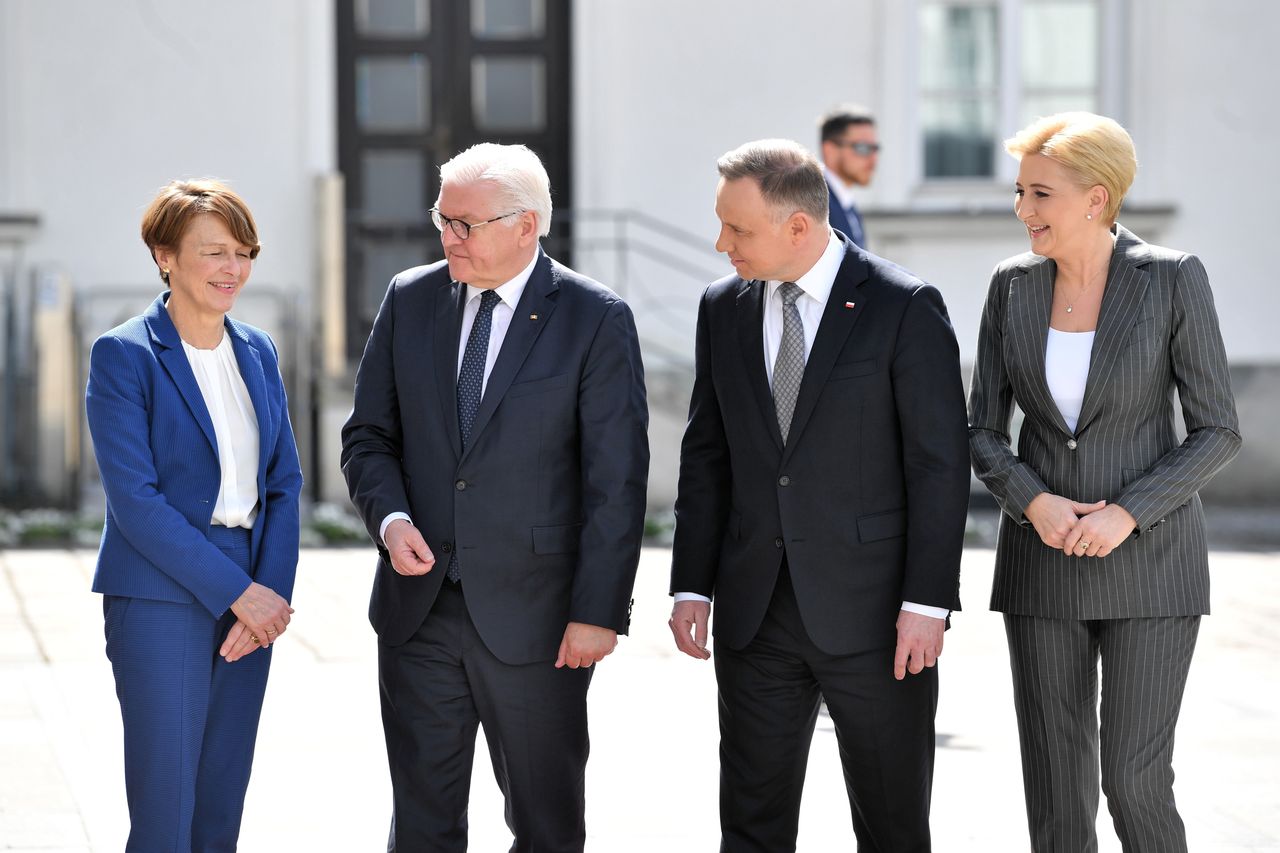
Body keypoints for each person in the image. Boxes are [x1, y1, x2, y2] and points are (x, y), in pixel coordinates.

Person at [341, 142, 649, 852]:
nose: (448, 237)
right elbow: (368, 438)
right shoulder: (409, 298)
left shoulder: (594, 318)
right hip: (418, 614)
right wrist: (388, 520)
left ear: (526, 225)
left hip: (539, 624)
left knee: (546, 825)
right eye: (442, 219)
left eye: (466, 224)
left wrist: (598, 611)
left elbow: (616, 481)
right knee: (422, 825)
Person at [668, 139, 970, 852]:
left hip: (878, 623)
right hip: (755, 614)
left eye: (737, 229)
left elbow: (939, 463)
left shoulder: (904, 306)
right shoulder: (723, 308)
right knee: (750, 824)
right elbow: (706, 454)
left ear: (797, 227)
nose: (721, 244)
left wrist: (927, 604)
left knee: (892, 826)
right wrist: (691, 585)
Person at [968, 112, 1242, 852]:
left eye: (1040, 194)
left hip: (1150, 567)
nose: (1022, 211)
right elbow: (982, 429)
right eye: (1020, 192)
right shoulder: (1010, 286)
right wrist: (1031, 498)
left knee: (1133, 778)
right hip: (1041, 565)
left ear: (1096, 198)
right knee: (1057, 793)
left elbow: (1218, 427)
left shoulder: (1173, 278)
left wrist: (1128, 511)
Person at [85, 179, 302, 851]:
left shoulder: (259, 350)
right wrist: (240, 593)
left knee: (219, 807)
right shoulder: (124, 355)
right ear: (164, 255)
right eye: (213, 251)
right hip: (158, 589)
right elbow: (136, 504)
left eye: (244, 252)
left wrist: (269, 595)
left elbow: (284, 484)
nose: (232, 268)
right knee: (166, 811)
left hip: (250, 585)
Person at [819, 105, 879, 248]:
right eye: (862, 148)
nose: (873, 159)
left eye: (875, 149)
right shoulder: (816, 204)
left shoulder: (847, 204)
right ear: (830, 150)